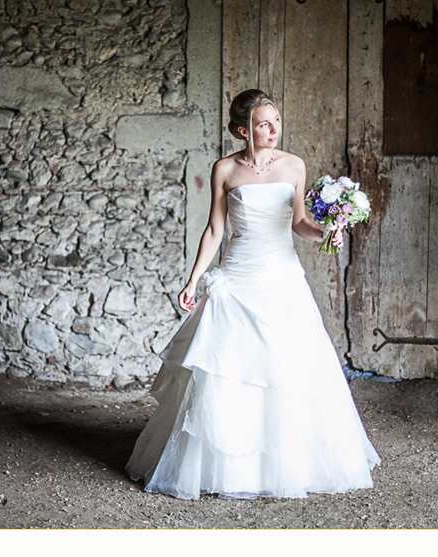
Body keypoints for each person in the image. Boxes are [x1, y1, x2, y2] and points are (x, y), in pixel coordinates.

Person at [126, 89, 380, 499]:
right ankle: (225, 468)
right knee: (227, 368)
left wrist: (327, 231)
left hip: (282, 278)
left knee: (287, 369)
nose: (274, 129)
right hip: (238, 277)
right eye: (264, 123)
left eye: (276, 120)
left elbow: (299, 222)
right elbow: (215, 230)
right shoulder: (224, 170)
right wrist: (193, 280)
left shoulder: (294, 166)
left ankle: (283, 464)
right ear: (244, 130)